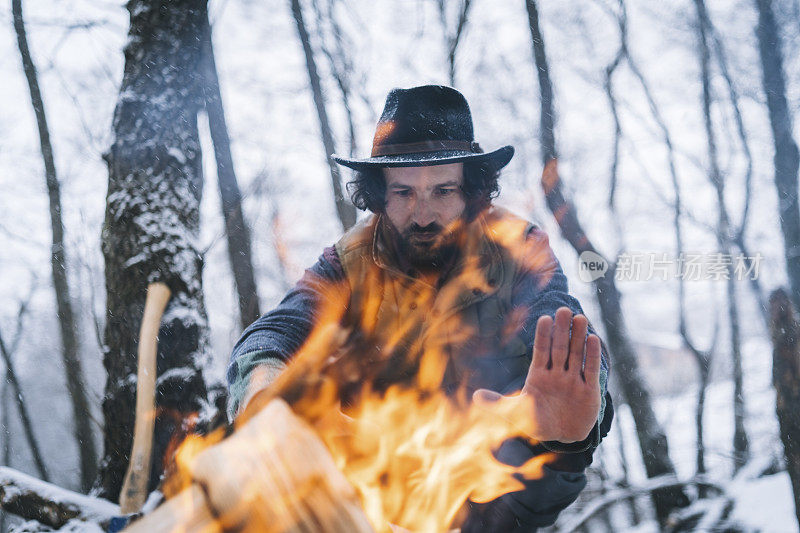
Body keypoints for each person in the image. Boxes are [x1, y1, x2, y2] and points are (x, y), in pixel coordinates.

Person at [226, 85, 613, 531]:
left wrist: (580, 410)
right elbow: (275, 331)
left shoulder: (519, 247)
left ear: (472, 191)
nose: (424, 214)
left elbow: (564, 326)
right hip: (380, 485)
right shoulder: (348, 260)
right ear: (378, 194)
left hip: (502, 486)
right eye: (404, 192)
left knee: (551, 394)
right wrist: (261, 391)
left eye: (443, 190)